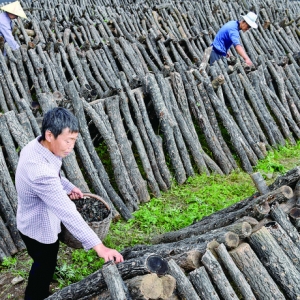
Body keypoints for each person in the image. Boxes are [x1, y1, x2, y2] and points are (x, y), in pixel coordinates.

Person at [16, 107, 124, 300]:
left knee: (45, 263)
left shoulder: (37, 146)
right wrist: (100, 247)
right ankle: (35, 295)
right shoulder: (38, 170)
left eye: (74, 140)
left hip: (31, 219)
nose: (71, 146)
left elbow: (53, 174)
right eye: (68, 140)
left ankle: (43, 284)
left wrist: (67, 186)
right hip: (38, 228)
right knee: (43, 264)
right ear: (50, 134)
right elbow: (67, 211)